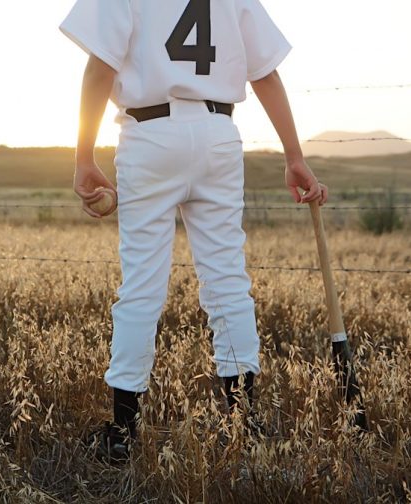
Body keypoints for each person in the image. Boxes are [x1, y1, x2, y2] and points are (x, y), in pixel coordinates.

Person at [60, 0, 328, 463]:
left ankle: (123, 430)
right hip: (217, 131)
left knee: (142, 283)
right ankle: (243, 418)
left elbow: (100, 66)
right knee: (226, 276)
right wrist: (294, 155)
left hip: (150, 134)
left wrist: (84, 157)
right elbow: (263, 71)